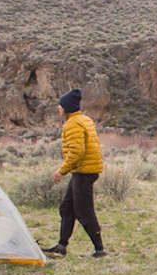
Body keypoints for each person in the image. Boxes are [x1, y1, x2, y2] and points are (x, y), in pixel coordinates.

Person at [41, 88, 107, 258]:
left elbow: (77, 152)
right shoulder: (85, 120)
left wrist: (61, 170)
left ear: (67, 107)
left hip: (84, 172)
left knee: (84, 211)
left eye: (60, 106)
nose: (59, 108)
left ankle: (99, 250)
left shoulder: (73, 124)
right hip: (84, 170)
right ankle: (61, 246)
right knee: (67, 208)